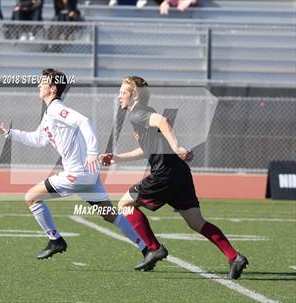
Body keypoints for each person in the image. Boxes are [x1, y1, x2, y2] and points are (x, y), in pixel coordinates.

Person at [0, 69, 163, 270]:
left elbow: (84, 121)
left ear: (53, 89)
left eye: (42, 83)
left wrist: (92, 152)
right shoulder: (50, 113)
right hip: (86, 175)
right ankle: (147, 250)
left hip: (78, 174)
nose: (39, 85)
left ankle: (55, 240)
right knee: (109, 214)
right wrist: (9, 133)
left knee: (31, 197)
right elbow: (38, 139)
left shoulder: (56, 109)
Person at [99, 76, 249, 278]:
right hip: (179, 174)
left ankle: (153, 248)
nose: (119, 96)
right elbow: (146, 150)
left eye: (122, 92)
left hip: (164, 175)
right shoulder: (141, 114)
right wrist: (116, 158)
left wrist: (177, 147)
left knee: (125, 204)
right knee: (196, 222)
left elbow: (164, 121)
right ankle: (234, 256)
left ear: (134, 95)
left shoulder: (138, 114)